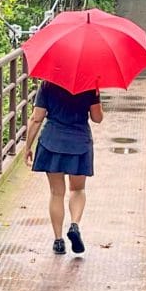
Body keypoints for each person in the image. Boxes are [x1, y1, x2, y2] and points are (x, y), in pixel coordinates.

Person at [23, 81, 103, 255]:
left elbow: (37, 118)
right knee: (78, 189)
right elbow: (97, 118)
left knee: (56, 193)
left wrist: (27, 147)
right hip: (79, 142)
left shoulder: (47, 84)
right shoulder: (89, 84)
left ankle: (58, 241)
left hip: (52, 141)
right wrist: (96, 96)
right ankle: (74, 225)